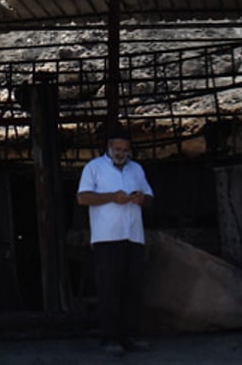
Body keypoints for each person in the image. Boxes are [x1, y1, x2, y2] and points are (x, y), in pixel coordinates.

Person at [77, 123, 154, 355]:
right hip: (107, 237)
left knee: (133, 288)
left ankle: (130, 335)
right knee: (109, 289)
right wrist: (112, 197)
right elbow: (82, 197)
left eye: (125, 150)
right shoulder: (94, 168)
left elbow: (150, 196)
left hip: (133, 236)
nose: (121, 153)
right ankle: (109, 337)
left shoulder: (136, 169)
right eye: (118, 149)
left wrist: (142, 199)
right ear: (109, 147)